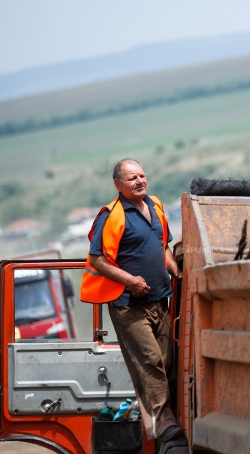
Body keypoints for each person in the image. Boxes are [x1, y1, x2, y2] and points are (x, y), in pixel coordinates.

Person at [80, 158, 183, 443]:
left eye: (141, 175)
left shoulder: (155, 206)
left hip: (159, 299)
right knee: (149, 361)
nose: (139, 181)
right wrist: (130, 281)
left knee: (167, 360)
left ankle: (172, 417)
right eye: (132, 178)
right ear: (118, 185)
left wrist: (176, 270)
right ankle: (163, 424)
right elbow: (98, 260)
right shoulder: (111, 215)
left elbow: (162, 246)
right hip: (128, 304)